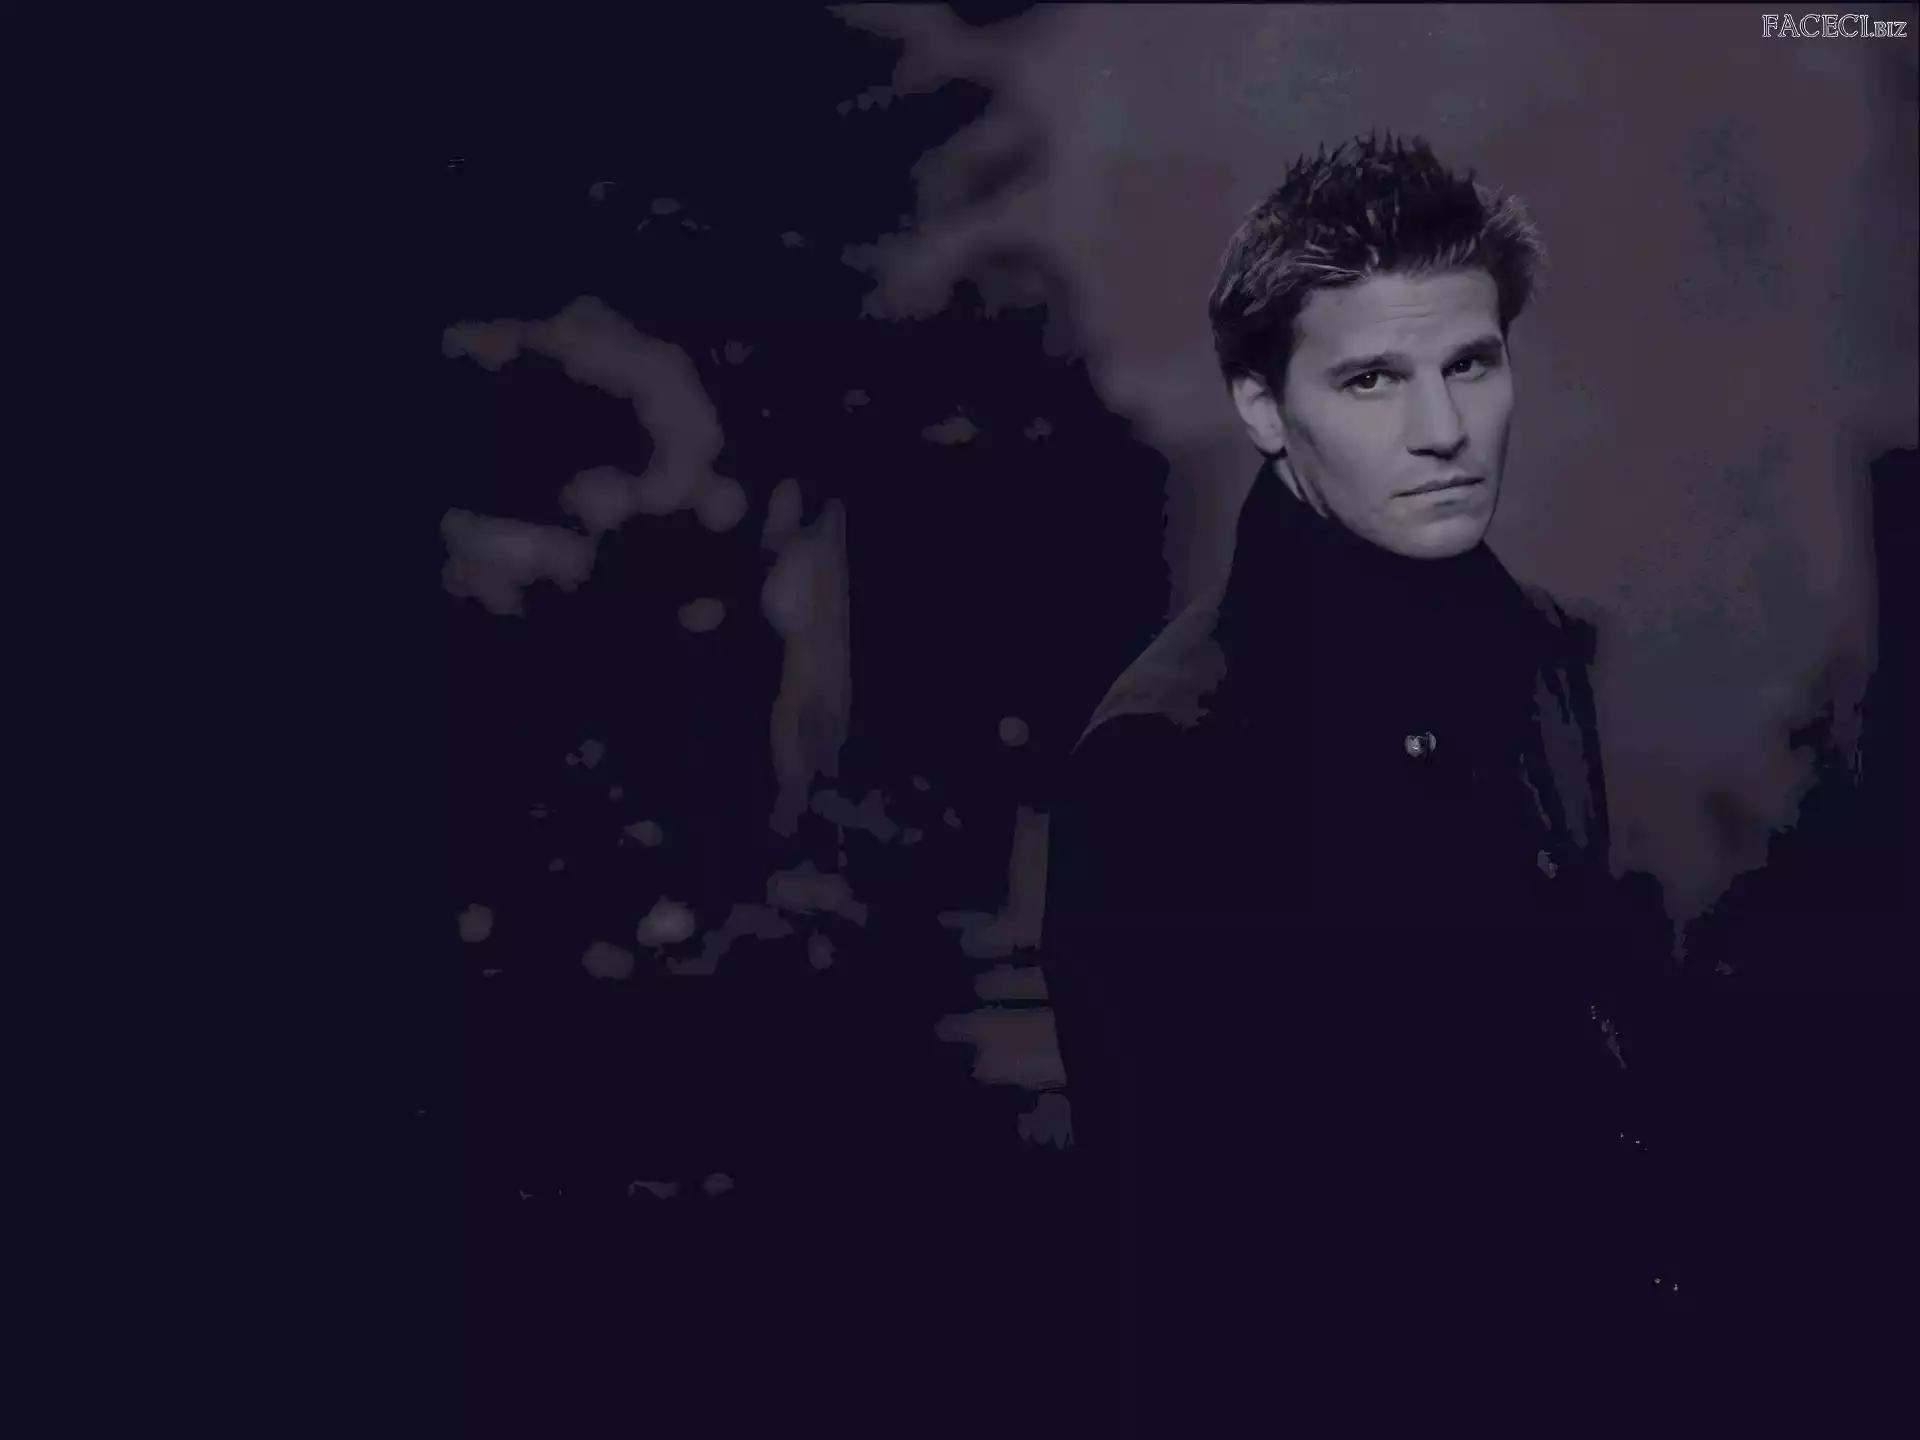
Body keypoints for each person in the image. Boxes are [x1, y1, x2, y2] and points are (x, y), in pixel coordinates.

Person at [1040, 134, 1679, 1423]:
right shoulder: (1175, 754)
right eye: (1373, 379)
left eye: (1471, 365)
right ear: (1263, 409)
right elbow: (1186, 1270)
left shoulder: (1544, 655)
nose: (1442, 432)